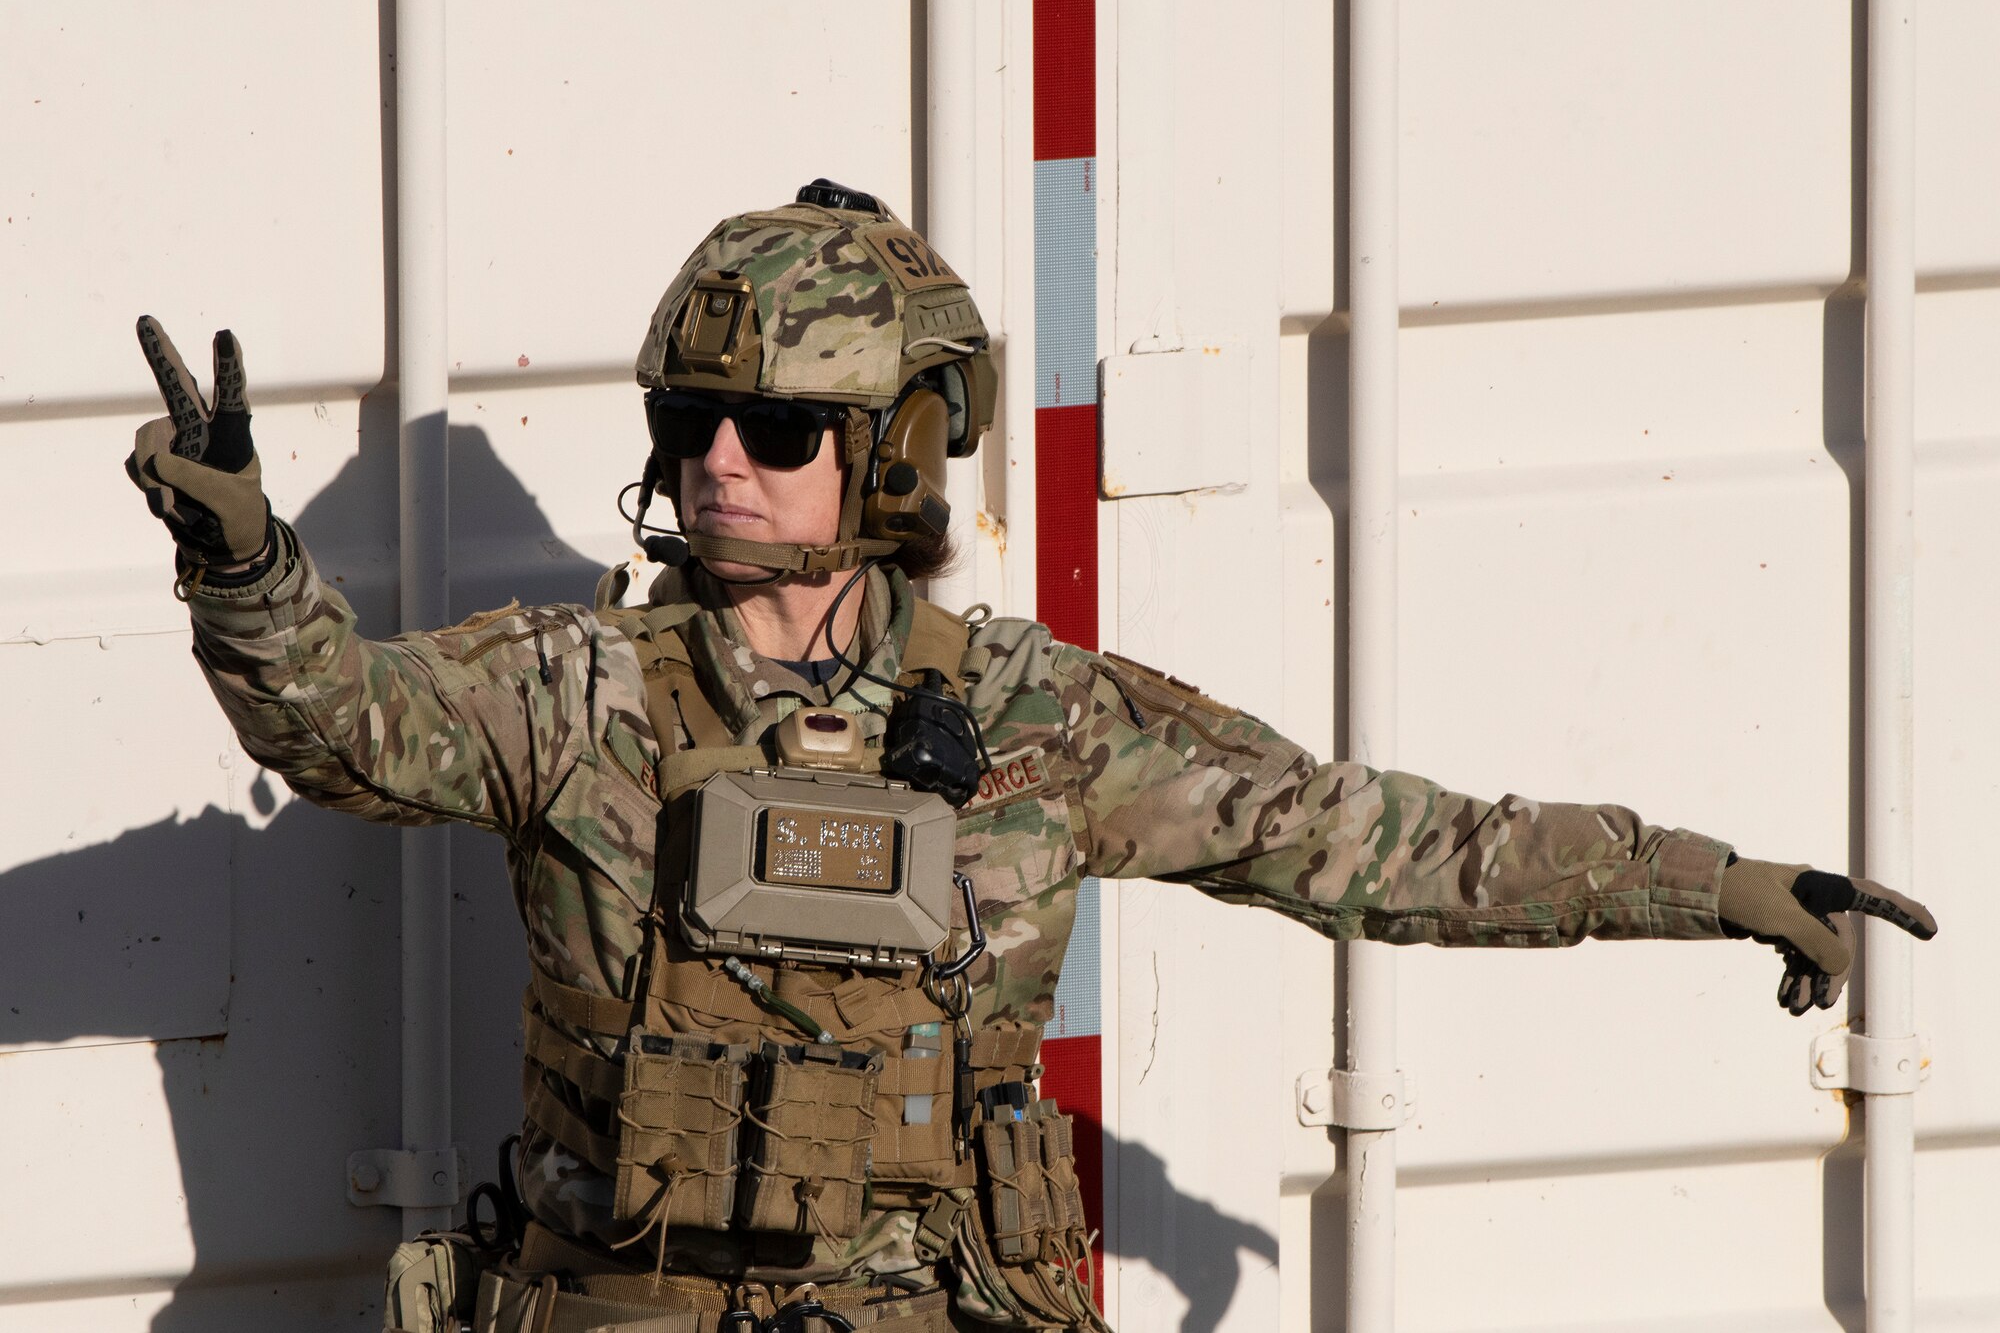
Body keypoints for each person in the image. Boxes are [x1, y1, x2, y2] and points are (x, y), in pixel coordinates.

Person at [125, 181, 1937, 1333]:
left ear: (899, 449)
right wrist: (242, 566)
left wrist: (1716, 882)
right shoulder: (570, 690)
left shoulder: (1041, 724)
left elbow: (1374, 845)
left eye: (776, 426)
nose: (718, 465)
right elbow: (339, 726)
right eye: (692, 425)